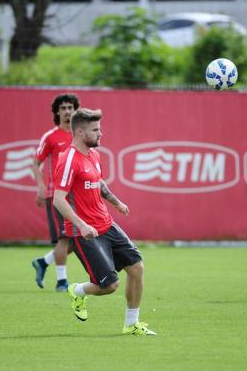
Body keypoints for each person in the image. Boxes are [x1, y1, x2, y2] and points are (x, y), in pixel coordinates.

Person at [53, 108, 156, 335]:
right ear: (80, 132)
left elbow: (98, 183)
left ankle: (131, 325)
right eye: (96, 130)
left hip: (107, 224)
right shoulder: (68, 160)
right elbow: (58, 200)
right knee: (109, 286)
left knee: (137, 268)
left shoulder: (94, 155)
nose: (101, 134)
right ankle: (77, 291)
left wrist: (116, 202)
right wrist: (81, 224)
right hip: (85, 232)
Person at [31, 93, 79, 291]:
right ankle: (61, 281)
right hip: (57, 194)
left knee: (78, 239)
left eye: (70, 108)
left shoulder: (80, 135)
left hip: (77, 194)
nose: (67, 112)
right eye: (63, 108)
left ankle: (43, 262)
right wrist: (41, 185)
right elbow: (36, 163)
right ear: (57, 112)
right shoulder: (51, 137)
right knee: (64, 237)